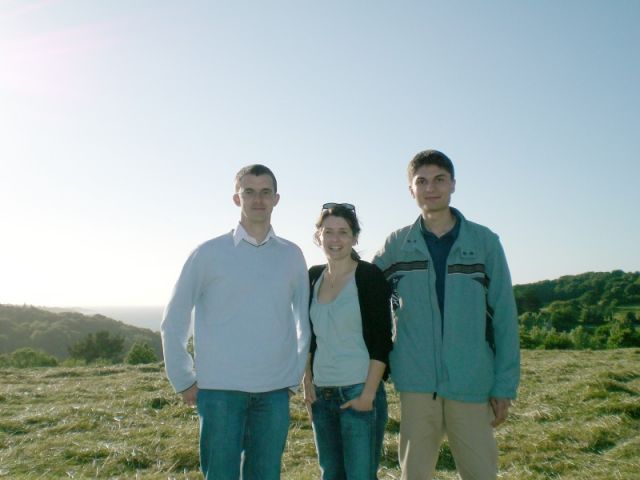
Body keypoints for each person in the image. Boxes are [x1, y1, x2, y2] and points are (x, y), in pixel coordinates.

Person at [373, 150, 520, 480]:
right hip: (416, 384)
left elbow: (505, 318)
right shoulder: (397, 245)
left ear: (453, 184)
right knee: (415, 475)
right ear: (411, 190)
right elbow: (363, 289)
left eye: (439, 179)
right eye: (421, 181)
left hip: (471, 382)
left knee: (480, 472)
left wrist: (504, 385)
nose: (431, 188)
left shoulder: (484, 242)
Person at [160, 164, 310, 480]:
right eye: (249, 192)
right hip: (219, 391)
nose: (258, 199)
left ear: (276, 199)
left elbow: (303, 321)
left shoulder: (292, 255)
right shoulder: (207, 254)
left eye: (265, 192)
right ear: (236, 198)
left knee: (266, 475)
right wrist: (183, 378)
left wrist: (294, 376)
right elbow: (174, 318)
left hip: (274, 391)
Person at [303, 203, 393, 480]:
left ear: (355, 237)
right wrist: (307, 382)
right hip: (322, 394)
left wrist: (367, 396)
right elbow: (308, 336)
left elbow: (382, 341)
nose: (335, 239)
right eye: (328, 232)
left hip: (358, 391)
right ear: (318, 236)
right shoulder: (313, 277)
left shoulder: (368, 277)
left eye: (343, 232)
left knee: (361, 476)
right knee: (330, 474)